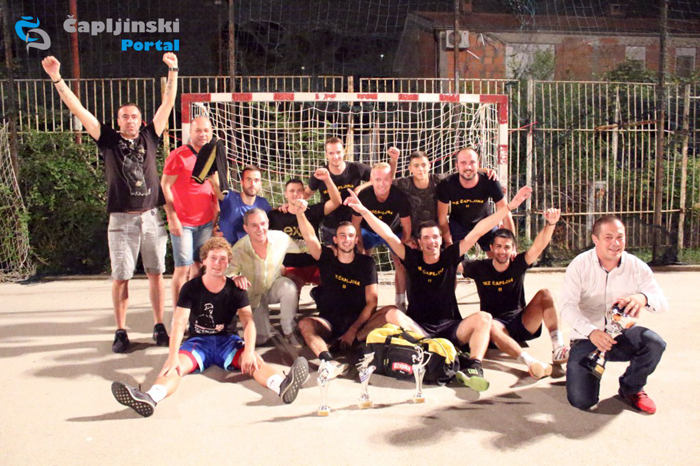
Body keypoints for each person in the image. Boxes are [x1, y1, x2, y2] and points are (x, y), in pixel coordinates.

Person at [41, 53, 179, 353]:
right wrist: (57, 78)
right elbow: (78, 109)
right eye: (124, 116)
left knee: (156, 274)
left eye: (134, 116)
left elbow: (168, 103)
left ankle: (159, 325)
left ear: (141, 120)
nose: (130, 120)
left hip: (151, 217)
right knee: (121, 277)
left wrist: (173, 71)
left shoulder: (150, 136)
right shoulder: (107, 139)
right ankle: (121, 330)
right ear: (118, 121)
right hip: (122, 220)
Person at [345, 185, 533, 392]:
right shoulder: (412, 257)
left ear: (441, 239)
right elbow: (388, 234)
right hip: (419, 329)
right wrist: (364, 211)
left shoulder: (450, 256)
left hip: (450, 327)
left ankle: (473, 366)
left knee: (484, 318)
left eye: (435, 237)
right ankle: (436, 349)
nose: (431, 242)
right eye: (426, 238)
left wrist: (509, 207)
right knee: (392, 314)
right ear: (419, 242)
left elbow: (478, 230)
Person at [110, 237, 309, 417]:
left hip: (228, 342)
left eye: (223, 259)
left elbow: (248, 322)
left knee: (255, 361)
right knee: (173, 367)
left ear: (228, 263)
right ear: (203, 261)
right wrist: (172, 355)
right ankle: (150, 398)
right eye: (213, 258)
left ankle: (282, 386)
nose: (218, 263)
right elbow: (179, 322)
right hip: (198, 343)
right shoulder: (191, 288)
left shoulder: (236, 289)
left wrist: (249, 350)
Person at [560, 215, 668, 414]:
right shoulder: (580, 265)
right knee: (582, 401)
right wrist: (591, 332)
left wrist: (643, 298)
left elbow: (662, 303)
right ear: (595, 239)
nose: (615, 243)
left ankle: (631, 387)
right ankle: (577, 364)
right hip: (588, 338)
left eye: (620, 237)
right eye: (608, 237)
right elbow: (567, 306)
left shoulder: (636, 266)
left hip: (622, 335)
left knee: (654, 343)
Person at [462, 209, 570, 379]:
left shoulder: (517, 263)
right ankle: (530, 362)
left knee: (546, 294)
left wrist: (551, 224)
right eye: (498, 246)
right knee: (488, 322)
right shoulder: (479, 267)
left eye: (507, 247)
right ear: (491, 248)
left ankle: (558, 347)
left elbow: (539, 246)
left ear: (513, 248)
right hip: (497, 328)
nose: (502, 251)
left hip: (521, 323)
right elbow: (451, 262)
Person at [294, 199, 389, 376]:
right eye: (342, 236)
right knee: (305, 323)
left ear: (356, 239)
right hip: (330, 323)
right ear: (335, 239)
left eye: (350, 236)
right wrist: (300, 214)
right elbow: (310, 237)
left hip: (359, 324)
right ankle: (329, 361)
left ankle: (349, 341)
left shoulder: (366, 263)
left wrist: (353, 330)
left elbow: (372, 302)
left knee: (391, 313)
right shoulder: (326, 258)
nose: (347, 239)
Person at [161, 116, 219, 315]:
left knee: (199, 266)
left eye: (206, 130)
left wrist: (216, 218)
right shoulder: (178, 156)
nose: (203, 134)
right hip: (183, 223)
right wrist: (172, 217)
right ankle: (179, 314)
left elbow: (215, 189)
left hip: (206, 222)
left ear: (211, 132)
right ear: (190, 132)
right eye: (198, 130)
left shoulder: (213, 155)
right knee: (182, 268)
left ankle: (195, 310)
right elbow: (164, 186)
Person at [228, 208, 304, 347]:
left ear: (268, 223)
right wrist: (235, 278)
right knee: (261, 339)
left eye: (263, 223)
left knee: (288, 287)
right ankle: (256, 327)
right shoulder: (239, 249)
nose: (260, 229)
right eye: (254, 225)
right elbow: (227, 274)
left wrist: (329, 248)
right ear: (246, 228)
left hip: (273, 287)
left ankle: (289, 330)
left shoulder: (280, 238)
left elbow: (302, 246)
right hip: (253, 296)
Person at [268, 169, 341, 293]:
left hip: (314, 263)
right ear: (285, 194)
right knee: (291, 290)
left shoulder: (312, 211)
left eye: (299, 191)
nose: (296, 194)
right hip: (291, 267)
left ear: (303, 193)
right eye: (292, 191)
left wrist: (327, 179)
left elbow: (336, 202)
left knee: (335, 285)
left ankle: (318, 295)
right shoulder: (275, 215)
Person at [351, 162, 411, 310]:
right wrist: (359, 246)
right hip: (368, 231)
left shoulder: (399, 196)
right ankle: (361, 299)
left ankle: (400, 301)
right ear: (371, 180)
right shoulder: (364, 196)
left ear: (391, 180)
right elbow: (355, 224)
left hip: (391, 232)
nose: (382, 184)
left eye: (386, 179)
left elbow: (406, 226)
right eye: (377, 179)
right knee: (361, 260)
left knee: (400, 262)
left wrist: (403, 248)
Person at [437, 147, 514, 253]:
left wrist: (512, 245)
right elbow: (442, 219)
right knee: (451, 257)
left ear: (478, 164)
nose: (468, 167)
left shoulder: (490, 180)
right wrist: (448, 241)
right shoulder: (447, 184)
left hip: (485, 222)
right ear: (457, 166)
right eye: (463, 163)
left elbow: (505, 211)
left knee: (499, 254)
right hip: (458, 225)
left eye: (472, 162)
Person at [304, 137, 371, 244]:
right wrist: (290, 204)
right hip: (330, 226)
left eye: (338, 152)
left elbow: (380, 177)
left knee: (358, 253)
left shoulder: (356, 168)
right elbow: (307, 193)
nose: (335, 156)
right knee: (331, 254)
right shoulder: (320, 174)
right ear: (326, 154)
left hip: (353, 225)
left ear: (344, 151)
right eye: (331, 153)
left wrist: (360, 188)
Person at [211, 165, 271, 245]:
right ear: (242, 182)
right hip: (225, 249)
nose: (252, 184)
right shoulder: (229, 198)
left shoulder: (263, 204)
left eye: (256, 180)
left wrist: (285, 207)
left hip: (248, 251)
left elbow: (276, 214)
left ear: (260, 184)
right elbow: (215, 185)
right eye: (248, 179)